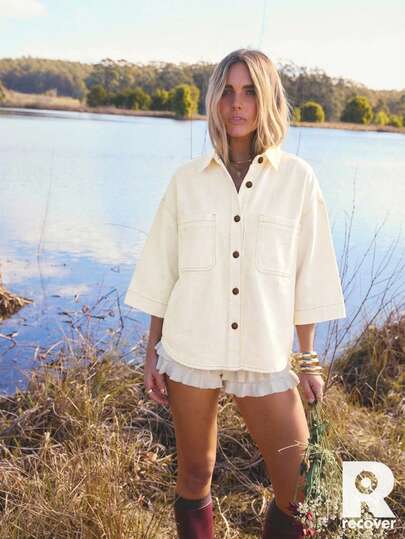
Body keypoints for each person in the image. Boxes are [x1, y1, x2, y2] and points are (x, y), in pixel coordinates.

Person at [124, 48, 346, 539]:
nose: (237, 103)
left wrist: (308, 360)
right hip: (191, 350)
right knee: (194, 474)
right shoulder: (186, 181)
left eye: (249, 92)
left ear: (267, 100)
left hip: (264, 354)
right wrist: (151, 352)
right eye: (226, 91)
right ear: (214, 100)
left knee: (302, 490)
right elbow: (162, 273)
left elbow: (309, 275)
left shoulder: (297, 180)